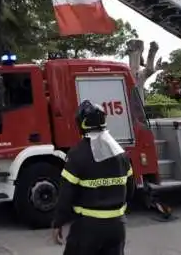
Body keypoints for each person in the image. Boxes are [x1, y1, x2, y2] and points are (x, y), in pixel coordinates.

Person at [51, 101, 135, 255]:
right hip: (117, 227)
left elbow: (66, 195)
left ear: (81, 124)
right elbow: (130, 190)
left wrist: (59, 222)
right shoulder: (121, 155)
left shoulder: (76, 155)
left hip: (87, 227)